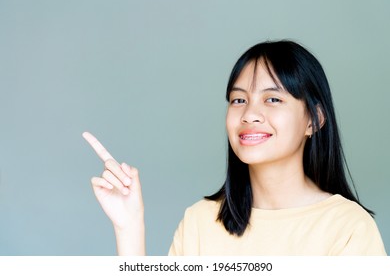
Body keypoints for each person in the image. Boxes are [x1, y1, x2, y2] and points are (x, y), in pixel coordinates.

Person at [83, 40, 386, 255]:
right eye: (239, 99)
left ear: (314, 120)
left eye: (273, 99)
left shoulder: (347, 228)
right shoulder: (200, 221)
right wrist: (129, 227)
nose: (249, 114)